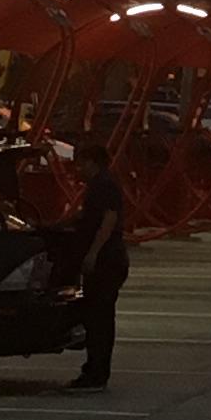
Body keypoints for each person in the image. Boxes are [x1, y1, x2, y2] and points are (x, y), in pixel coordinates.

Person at [69, 146, 131, 391]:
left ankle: (96, 372)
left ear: (92, 161)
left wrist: (93, 253)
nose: (77, 169)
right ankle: (95, 369)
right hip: (110, 259)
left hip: (108, 261)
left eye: (80, 163)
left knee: (99, 319)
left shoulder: (103, 185)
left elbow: (108, 219)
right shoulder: (102, 184)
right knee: (97, 318)